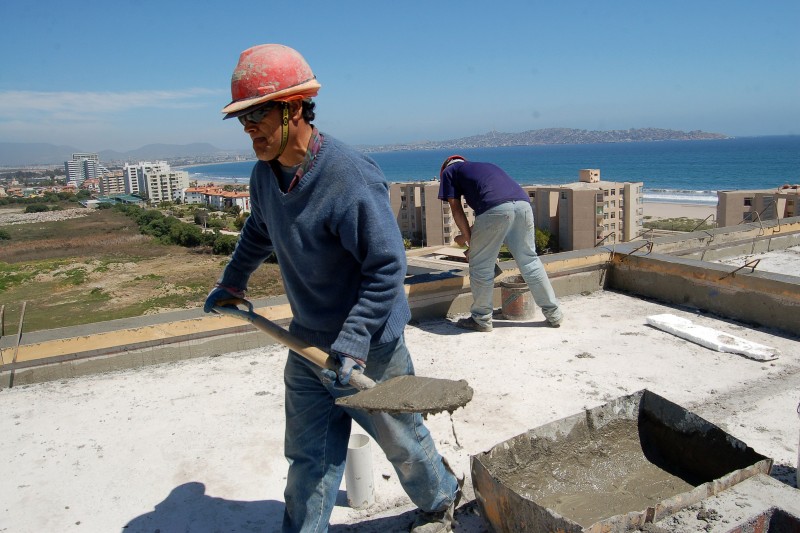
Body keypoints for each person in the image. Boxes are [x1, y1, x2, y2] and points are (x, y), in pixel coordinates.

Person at [203, 44, 460, 533]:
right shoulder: (264, 175)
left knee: (401, 440)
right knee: (308, 457)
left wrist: (355, 340)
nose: (248, 127)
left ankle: (444, 503)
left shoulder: (347, 175)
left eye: (257, 114)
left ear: (294, 108)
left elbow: (387, 266)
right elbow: (260, 230)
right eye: (242, 118)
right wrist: (232, 282)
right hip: (307, 341)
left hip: (371, 347)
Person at [438, 155, 564, 332]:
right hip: (523, 205)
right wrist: (470, 237)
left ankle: (481, 319)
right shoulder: (483, 167)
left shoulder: (448, 172)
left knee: (480, 266)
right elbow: (496, 211)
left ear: (445, 168)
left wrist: (469, 242)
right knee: (530, 261)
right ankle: (554, 314)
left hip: (495, 211)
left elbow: (456, 208)